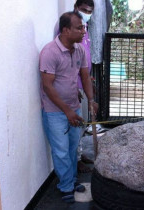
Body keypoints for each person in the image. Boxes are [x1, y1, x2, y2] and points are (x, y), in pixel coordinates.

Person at [40, 11, 98, 203]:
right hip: (55, 112)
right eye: (79, 27)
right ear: (65, 30)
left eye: (84, 27)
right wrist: (67, 111)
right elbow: (47, 86)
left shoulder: (80, 49)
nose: (84, 31)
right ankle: (65, 185)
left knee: (73, 148)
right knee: (61, 151)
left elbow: (84, 76)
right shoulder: (50, 52)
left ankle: (71, 181)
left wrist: (90, 100)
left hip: (74, 107)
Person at [54, 0, 95, 173]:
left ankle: (79, 153)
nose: (87, 13)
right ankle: (75, 160)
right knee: (74, 124)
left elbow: (83, 55)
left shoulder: (84, 27)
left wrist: (87, 78)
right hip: (73, 85)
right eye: (84, 10)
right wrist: (74, 86)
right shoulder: (67, 27)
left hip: (83, 80)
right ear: (76, 7)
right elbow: (65, 60)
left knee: (82, 121)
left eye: (90, 11)